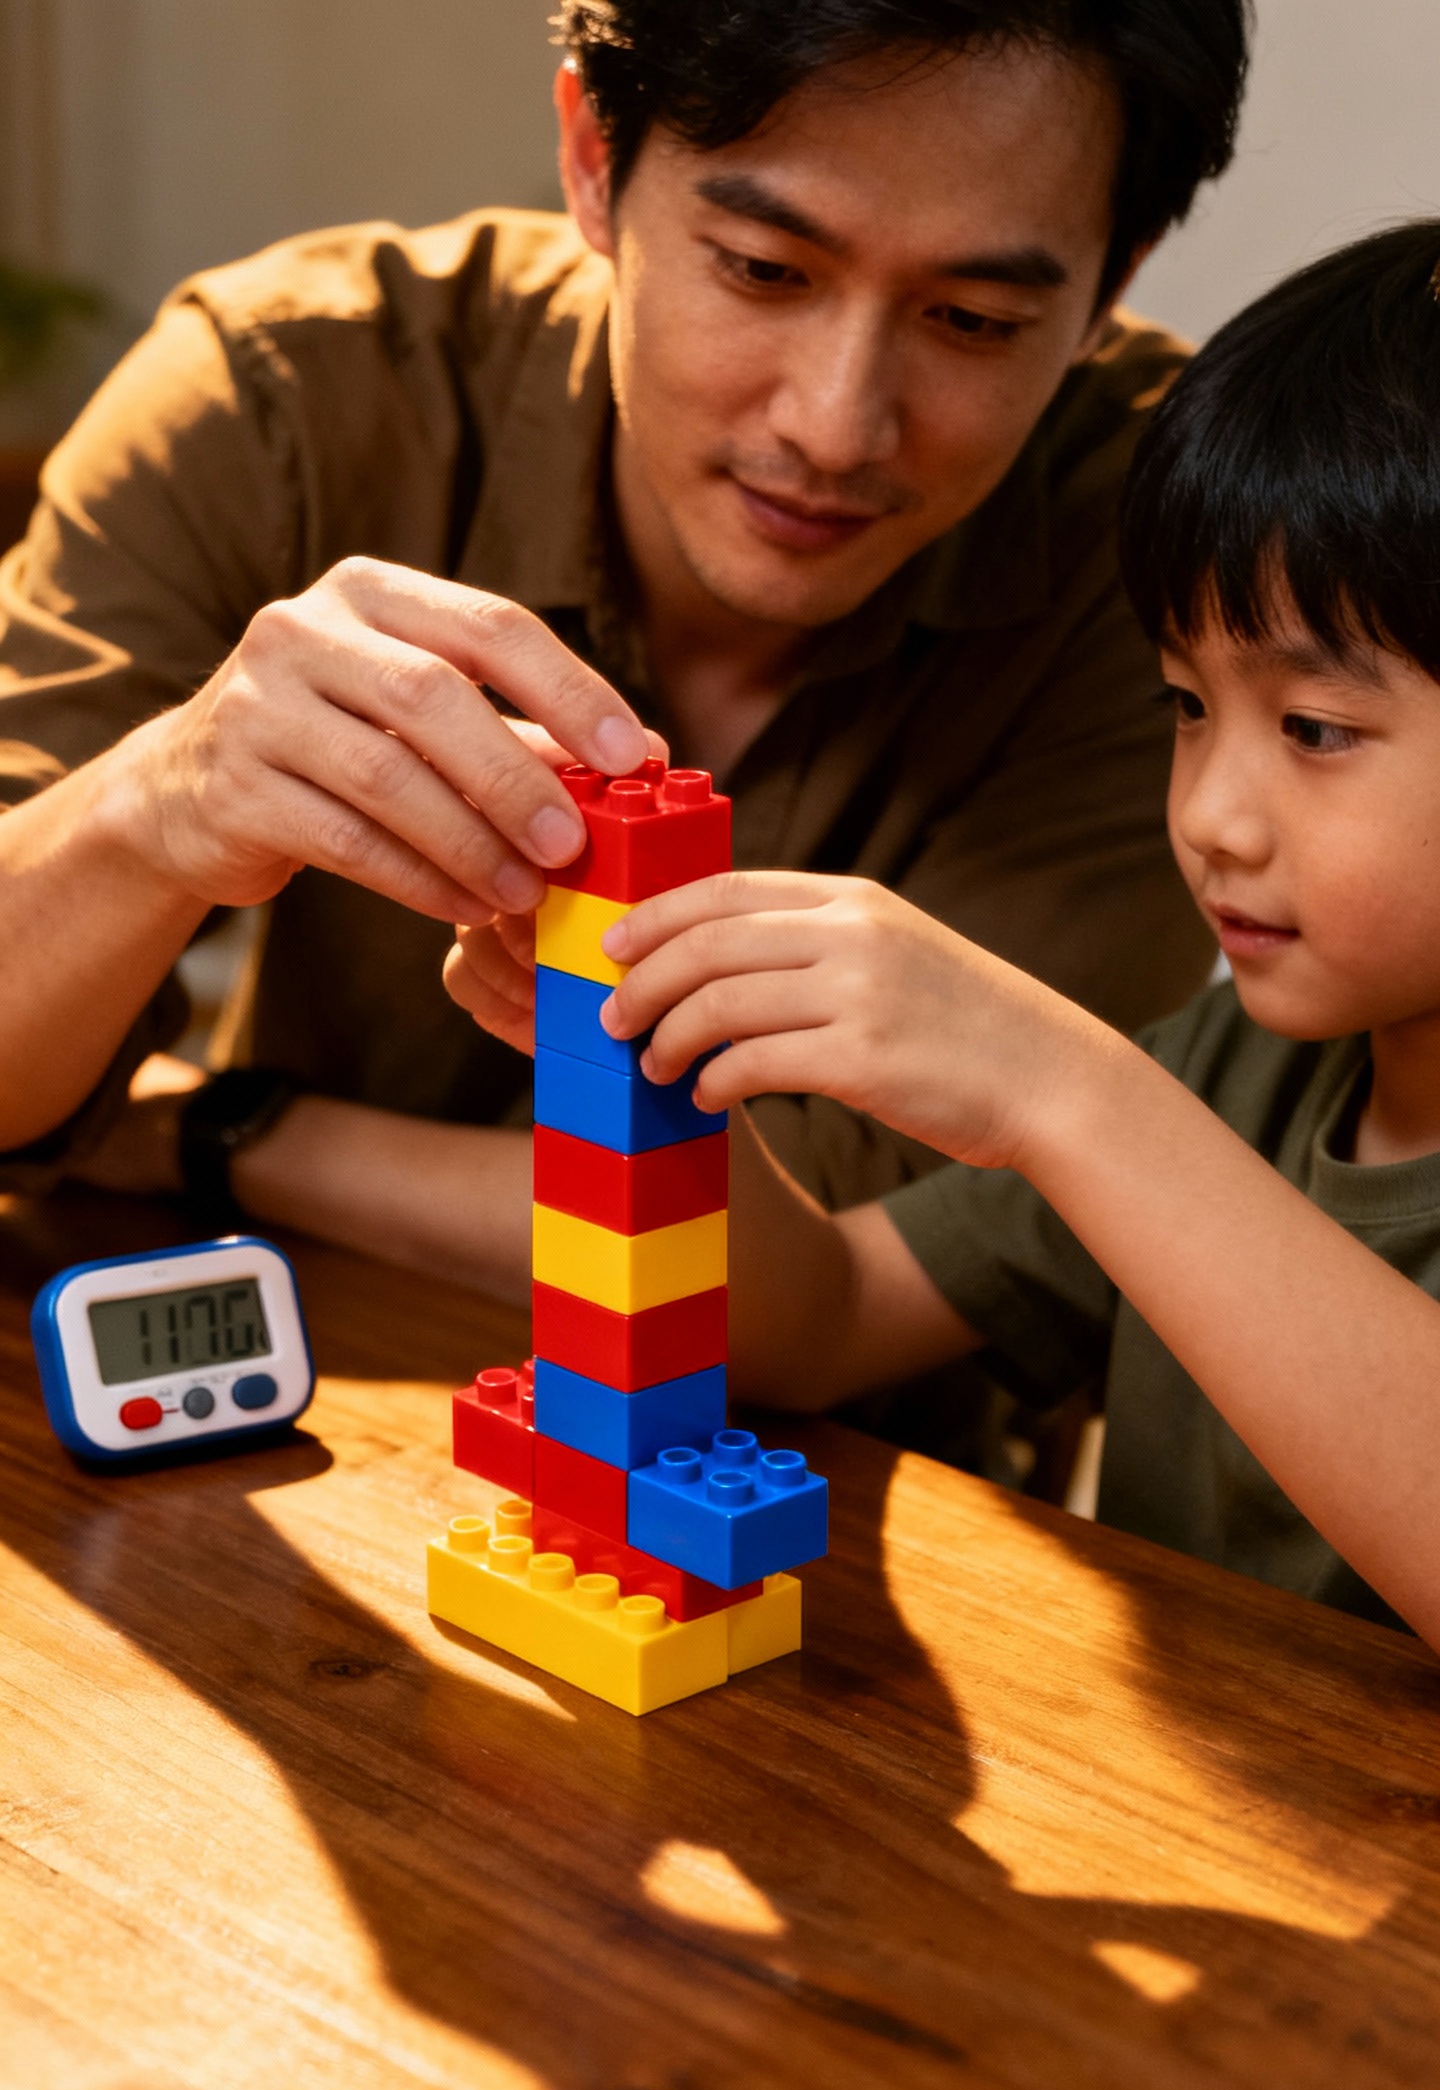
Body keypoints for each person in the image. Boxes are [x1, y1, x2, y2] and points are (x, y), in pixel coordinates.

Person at [0, 0, 1247, 1312]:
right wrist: (155, 809)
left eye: (974, 321)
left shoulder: (1177, 558)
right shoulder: (281, 404)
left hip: (847, 1484)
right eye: (765, 268)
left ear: (1112, 281)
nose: (835, 424)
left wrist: (208, 1131)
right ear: (594, 158)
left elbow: (840, 1245)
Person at [449, 221, 1440, 1645]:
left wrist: (1062, 1088)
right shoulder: (1237, 1073)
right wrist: (632, 1060)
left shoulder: (1143, 1113)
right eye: (1186, 706)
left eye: (1315, 729)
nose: (1215, 814)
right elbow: (829, 1318)